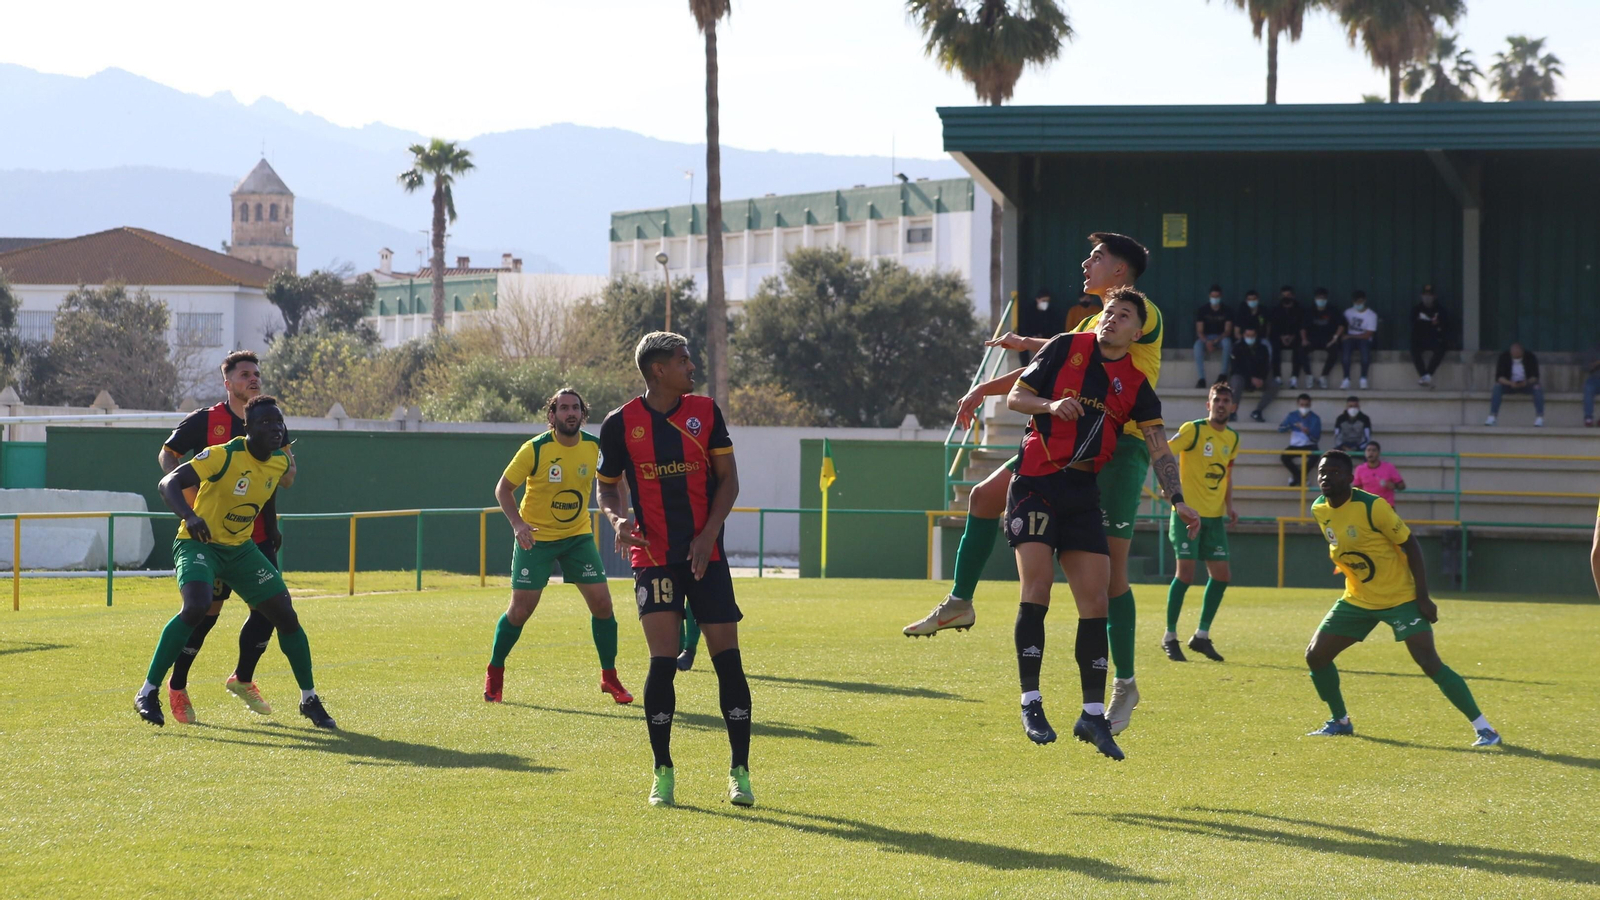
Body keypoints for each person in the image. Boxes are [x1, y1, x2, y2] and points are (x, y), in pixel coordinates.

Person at [904, 232, 1164, 737]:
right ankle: (960, 602)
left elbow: (1108, 346)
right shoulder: (1093, 323)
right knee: (981, 498)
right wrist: (984, 386)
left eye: (1098, 257)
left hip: (1119, 448)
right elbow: (1053, 362)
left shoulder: (1141, 310)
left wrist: (1028, 346)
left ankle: (1125, 681)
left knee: (1111, 580)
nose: (1086, 262)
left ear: (1121, 273)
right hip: (1060, 443)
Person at [1002, 286, 1198, 760]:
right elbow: (1015, 397)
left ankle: (1092, 716)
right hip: (1035, 482)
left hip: (1082, 492)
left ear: (1138, 331)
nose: (1110, 319)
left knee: (1095, 599)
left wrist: (1177, 497)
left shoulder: (1135, 383)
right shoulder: (1065, 346)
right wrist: (1048, 406)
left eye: (1123, 314)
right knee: (1039, 588)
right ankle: (1032, 702)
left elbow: (1158, 445)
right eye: (1109, 311)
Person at [596, 331, 753, 808]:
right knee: (662, 662)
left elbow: (729, 482)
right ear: (658, 369)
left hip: (707, 556)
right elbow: (607, 489)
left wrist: (708, 535)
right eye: (684, 360)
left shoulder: (705, 412)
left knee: (727, 660)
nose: (692, 366)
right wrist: (618, 520)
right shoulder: (620, 423)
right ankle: (662, 771)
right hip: (654, 557)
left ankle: (739, 771)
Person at [135, 396, 334, 730]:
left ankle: (309, 699)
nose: (275, 429)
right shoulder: (222, 455)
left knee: (285, 616)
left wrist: (270, 528)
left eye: (279, 423)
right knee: (197, 607)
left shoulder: (279, 463)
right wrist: (190, 515)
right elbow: (167, 483)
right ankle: (148, 691)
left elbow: (267, 488)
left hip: (240, 550)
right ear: (248, 427)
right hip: (199, 544)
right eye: (266, 423)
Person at [1304, 451, 1500, 747]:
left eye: (1332, 472)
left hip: (1400, 598)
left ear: (1349, 477)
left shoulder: (1374, 507)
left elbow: (1411, 544)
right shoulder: (1319, 508)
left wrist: (1423, 596)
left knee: (1428, 661)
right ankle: (1340, 721)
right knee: (1315, 655)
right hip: (1358, 599)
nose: (1324, 477)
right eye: (1321, 472)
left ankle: (1485, 729)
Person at [155, 350, 291, 723]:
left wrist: (275, 522)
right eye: (245, 374)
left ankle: (243, 678)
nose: (253, 379)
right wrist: (189, 500)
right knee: (204, 616)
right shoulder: (208, 420)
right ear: (227, 382)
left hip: (256, 536)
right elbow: (169, 457)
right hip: (213, 536)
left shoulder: (270, 418)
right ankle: (177, 686)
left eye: (257, 374)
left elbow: (284, 476)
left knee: (271, 613)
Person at [485, 388, 633, 706]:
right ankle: (495, 674)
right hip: (536, 538)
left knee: (603, 606)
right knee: (520, 611)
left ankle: (610, 678)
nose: (570, 413)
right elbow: (503, 488)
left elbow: (616, 481)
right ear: (552, 415)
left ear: (583, 414)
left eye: (575, 408)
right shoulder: (535, 449)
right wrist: (518, 525)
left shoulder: (596, 447)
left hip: (577, 538)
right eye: (563, 408)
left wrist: (619, 520)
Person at [1162, 383, 1238, 664]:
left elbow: (1227, 475)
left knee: (1221, 576)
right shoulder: (1193, 430)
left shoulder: (1233, 438)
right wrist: (1169, 486)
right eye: (1216, 399)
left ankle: (1201, 636)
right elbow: (1164, 452)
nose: (1220, 404)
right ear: (1208, 405)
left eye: (1225, 400)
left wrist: (1230, 507)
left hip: (1215, 517)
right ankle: (1169, 636)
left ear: (1233, 407)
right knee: (1185, 574)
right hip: (1187, 515)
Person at [1486, 342, 1544, 427]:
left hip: (1526, 385)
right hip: (1509, 385)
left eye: (1518, 354)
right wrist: (1510, 383)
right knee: (1497, 387)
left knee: (1537, 387)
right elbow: (1499, 377)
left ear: (1522, 352)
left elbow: (1535, 377)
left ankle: (1539, 417)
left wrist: (1526, 382)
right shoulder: (1504, 357)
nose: (1515, 356)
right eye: (1513, 354)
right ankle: (1492, 416)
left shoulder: (1530, 357)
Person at [1228, 326, 1277, 422]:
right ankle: (1232, 412)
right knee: (1236, 381)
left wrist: (1261, 379)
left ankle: (1257, 411)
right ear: (1243, 335)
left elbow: (1266, 366)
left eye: (1252, 335)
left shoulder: (1263, 348)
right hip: (1242, 378)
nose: (1250, 338)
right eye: (1247, 335)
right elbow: (1236, 368)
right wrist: (1250, 378)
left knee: (1274, 384)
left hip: (1258, 379)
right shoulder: (1236, 348)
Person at [1192, 284, 1233, 387]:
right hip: (1206, 338)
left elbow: (1227, 330)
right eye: (1213, 296)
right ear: (1209, 296)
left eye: (1217, 296)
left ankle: (1223, 375)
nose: (1215, 299)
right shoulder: (1203, 310)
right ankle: (1201, 379)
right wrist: (1207, 342)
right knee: (1197, 345)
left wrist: (1216, 341)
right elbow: (1199, 330)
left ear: (1220, 296)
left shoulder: (1226, 310)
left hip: (1220, 338)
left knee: (1227, 343)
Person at [1277, 394, 1321, 487]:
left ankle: (1296, 478)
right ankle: (1301, 477)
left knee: (1316, 455)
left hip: (1309, 445)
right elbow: (1280, 429)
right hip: (1295, 446)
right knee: (1284, 457)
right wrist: (1291, 425)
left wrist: (1308, 432)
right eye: (1302, 405)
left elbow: (1316, 438)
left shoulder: (1315, 418)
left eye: (1306, 405)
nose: (1304, 407)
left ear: (1310, 405)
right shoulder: (1292, 416)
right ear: (1298, 404)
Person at [1303, 288, 1344, 389]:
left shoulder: (1333, 310)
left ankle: (1323, 376)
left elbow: (1341, 325)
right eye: (1319, 297)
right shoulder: (1310, 310)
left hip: (1328, 339)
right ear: (1315, 298)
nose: (1321, 300)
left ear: (1327, 298)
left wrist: (1335, 338)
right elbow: (1302, 327)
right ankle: (1309, 376)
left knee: (1334, 352)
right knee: (1300, 350)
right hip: (1312, 339)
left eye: (1323, 298)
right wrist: (1304, 339)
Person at [1410, 284, 1448, 387]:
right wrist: (1430, 324)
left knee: (1441, 349)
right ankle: (1424, 375)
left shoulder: (1440, 310)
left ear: (1434, 296)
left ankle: (1428, 375)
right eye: (1425, 294)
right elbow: (1414, 325)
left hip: (1434, 339)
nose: (1427, 297)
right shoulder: (1417, 309)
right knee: (1414, 349)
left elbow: (1443, 324)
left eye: (1430, 295)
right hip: (1420, 339)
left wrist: (1426, 324)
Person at [1270, 285, 1308, 388]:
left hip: (1295, 338)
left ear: (1293, 296)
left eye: (1288, 295)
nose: (1286, 298)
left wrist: (1292, 337)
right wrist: (1281, 337)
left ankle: (1294, 378)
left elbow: (1302, 326)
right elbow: (1273, 327)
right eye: (1284, 295)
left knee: (1299, 349)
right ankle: (1277, 377)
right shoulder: (1275, 310)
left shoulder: (1300, 310)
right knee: (1274, 347)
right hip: (1279, 338)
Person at [1340, 291, 1377, 390]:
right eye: (1356, 301)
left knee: (1365, 355)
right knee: (1345, 355)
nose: (1358, 304)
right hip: (1349, 339)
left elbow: (1368, 334)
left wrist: (1351, 336)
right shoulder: (1348, 312)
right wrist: (1344, 336)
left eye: (1360, 301)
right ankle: (1346, 379)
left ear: (1364, 300)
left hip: (1364, 339)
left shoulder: (1371, 315)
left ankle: (1363, 378)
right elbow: (1342, 327)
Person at [1019, 288, 1066, 365]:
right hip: (1030, 342)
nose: (1046, 303)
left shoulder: (1051, 313)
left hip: (1045, 343)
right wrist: (1032, 335)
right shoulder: (1028, 312)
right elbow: (1024, 327)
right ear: (1037, 299)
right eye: (1043, 301)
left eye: (1047, 301)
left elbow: (1053, 328)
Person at [1351, 441, 1405, 507]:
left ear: (1378, 453)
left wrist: (1394, 486)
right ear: (1365, 453)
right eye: (1368, 450)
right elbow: (1356, 489)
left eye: (1374, 450)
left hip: (1387, 506)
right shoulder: (1359, 469)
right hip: (1368, 506)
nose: (1371, 453)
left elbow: (1402, 486)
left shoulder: (1389, 467)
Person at [1580, 343, 1600, 427]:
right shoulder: (1593, 351)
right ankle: (1588, 418)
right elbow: (1585, 367)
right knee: (1588, 387)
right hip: (1595, 379)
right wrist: (1596, 363)